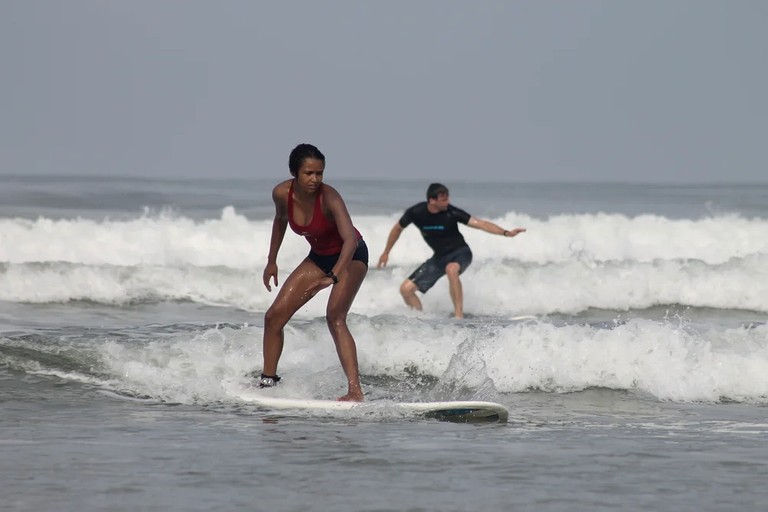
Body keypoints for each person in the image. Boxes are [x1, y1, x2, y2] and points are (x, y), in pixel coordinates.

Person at [258, 143, 368, 402]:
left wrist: (332, 277)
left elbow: (350, 241)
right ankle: (268, 382)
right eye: (309, 173)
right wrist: (271, 260)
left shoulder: (329, 197)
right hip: (319, 257)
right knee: (274, 317)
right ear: (295, 172)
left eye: (319, 173)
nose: (315, 179)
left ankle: (355, 391)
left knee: (335, 316)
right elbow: (280, 221)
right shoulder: (281, 193)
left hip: (351, 256)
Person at [377, 183, 525, 319]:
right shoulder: (416, 212)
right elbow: (398, 228)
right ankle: (419, 319)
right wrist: (386, 252)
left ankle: (458, 316)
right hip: (439, 257)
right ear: (432, 200)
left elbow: (481, 224)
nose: (447, 203)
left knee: (451, 269)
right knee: (406, 290)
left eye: (447, 199)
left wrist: (506, 233)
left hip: (461, 252)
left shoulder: (452, 213)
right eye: (443, 200)